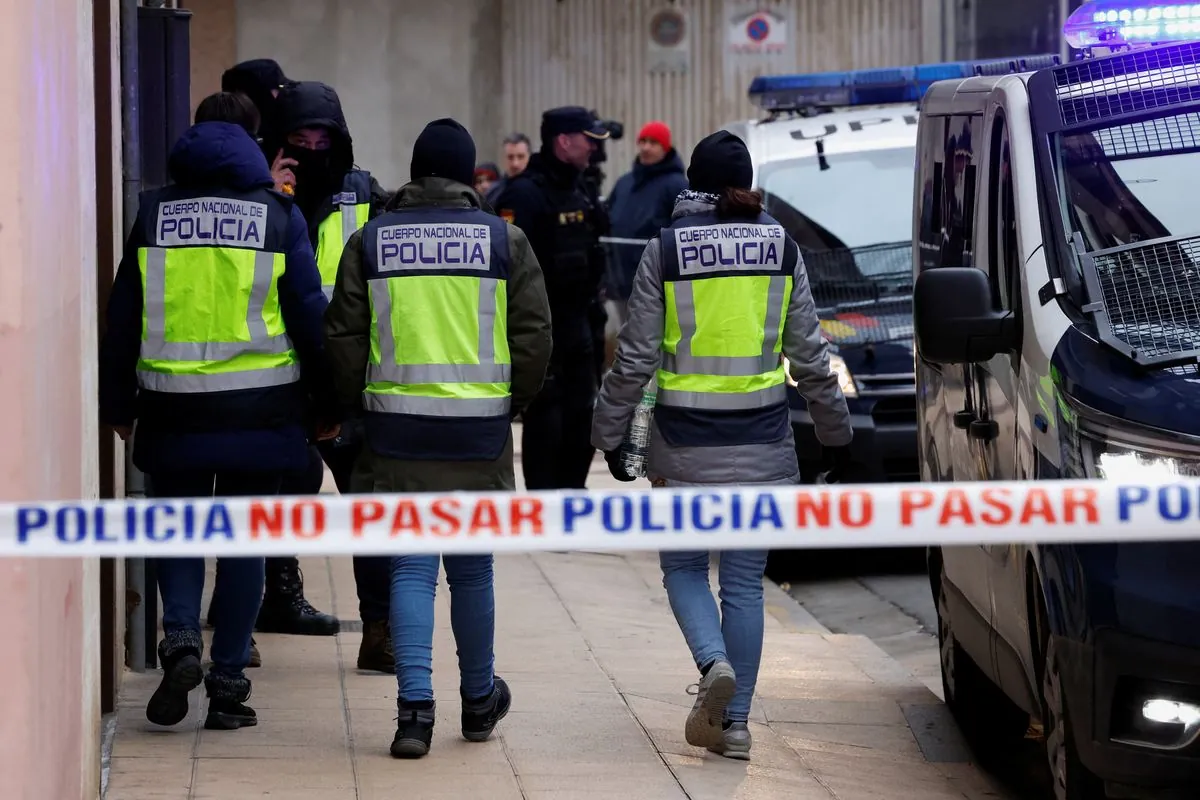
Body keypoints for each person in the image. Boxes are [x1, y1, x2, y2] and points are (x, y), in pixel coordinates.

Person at [590, 131, 854, 761]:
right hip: (763, 443)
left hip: (684, 446)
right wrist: (834, 432)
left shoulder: (667, 250)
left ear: (691, 184)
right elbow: (811, 355)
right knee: (743, 584)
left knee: (683, 568)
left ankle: (713, 665)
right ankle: (733, 724)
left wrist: (607, 432)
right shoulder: (782, 247)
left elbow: (634, 358)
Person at [99, 91, 338, 731]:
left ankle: (179, 638)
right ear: (254, 146)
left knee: (176, 529)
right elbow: (310, 318)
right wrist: (329, 404)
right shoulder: (278, 216)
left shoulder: (154, 215)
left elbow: (123, 318)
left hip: (171, 410)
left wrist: (118, 405)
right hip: (261, 413)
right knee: (243, 548)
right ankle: (228, 684)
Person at [324, 118, 552, 758]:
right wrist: (515, 404)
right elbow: (534, 338)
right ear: (467, 172)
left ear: (416, 171)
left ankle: (414, 714)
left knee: (412, 567)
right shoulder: (506, 242)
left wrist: (352, 407)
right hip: (478, 434)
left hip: (395, 432)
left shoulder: (372, 241)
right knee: (473, 572)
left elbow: (342, 336)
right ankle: (478, 701)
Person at [253, 80, 396, 671]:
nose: (312, 150)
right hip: (278, 373)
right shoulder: (260, 199)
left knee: (365, 503)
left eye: (323, 139)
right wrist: (269, 190)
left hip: (345, 377)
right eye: (298, 139)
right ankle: (264, 606)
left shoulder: (364, 193)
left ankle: (380, 628)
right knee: (264, 498)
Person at [493, 107, 609, 490]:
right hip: (543, 327)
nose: (594, 148)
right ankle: (543, 506)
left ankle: (573, 495)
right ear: (563, 141)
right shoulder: (525, 193)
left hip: (582, 325)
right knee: (546, 418)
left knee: (583, 415)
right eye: (587, 139)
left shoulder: (583, 188)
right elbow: (509, 268)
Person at [605, 120, 688, 327]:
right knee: (627, 341)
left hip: (656, 285)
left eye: (653, 142)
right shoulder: (624, 183)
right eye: (642, 141)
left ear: (665, 147)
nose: (646, 147)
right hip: (622, 283)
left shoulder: (676, 185)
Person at [485, 132, 531, 205]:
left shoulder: (543, 193)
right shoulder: (493, 193)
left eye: (521, 157)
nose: (515, 163)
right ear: (503, 158)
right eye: (510, 157)